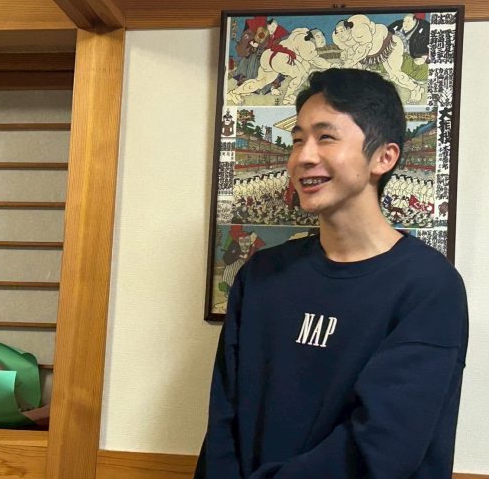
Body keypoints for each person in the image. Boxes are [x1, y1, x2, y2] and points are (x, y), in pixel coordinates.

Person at [195, 69, 468, 478]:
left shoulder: (429, 286)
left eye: (325, 137)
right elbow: (223, 420)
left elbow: (382, 448)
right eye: (297, 139)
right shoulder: (261, 275)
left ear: (384, 157)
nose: (303, 156)